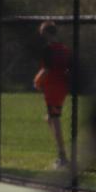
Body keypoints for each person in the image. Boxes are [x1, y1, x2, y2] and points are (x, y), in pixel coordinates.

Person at [33, 20, 72, 170]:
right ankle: (61, 152)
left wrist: (37, 81)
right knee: (50, 118)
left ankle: (62, 157)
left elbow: (46, 70)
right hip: (62, 88)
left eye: (42, 34)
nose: (41, 37)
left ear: (47, 34)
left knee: (54, 119)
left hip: (52, 89)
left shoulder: (48, 49)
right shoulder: (65, 49)